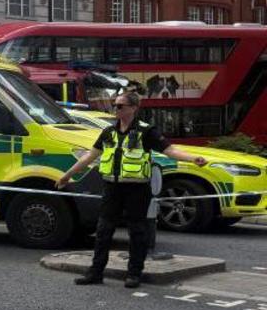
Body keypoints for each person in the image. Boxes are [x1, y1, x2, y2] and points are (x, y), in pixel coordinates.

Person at [56, 91, 206, 289]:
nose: (115, 109)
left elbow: (169, 151)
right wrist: (67, 175)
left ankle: (134, 274)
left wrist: (192, 158)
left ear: (133, 108)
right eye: (114, 105)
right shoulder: (109, 132)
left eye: (120, 106)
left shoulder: (146, 131)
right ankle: (95, 272)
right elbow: (89, 157)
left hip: (137, 189)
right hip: (112, 188)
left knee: (137, 232)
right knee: (103, 231)